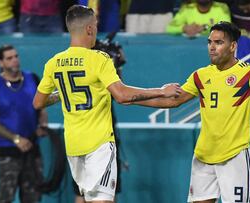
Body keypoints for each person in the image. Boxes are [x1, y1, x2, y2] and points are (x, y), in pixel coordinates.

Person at [32, 5, 181, 203]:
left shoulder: (54, 63)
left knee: (86, 199)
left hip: (74, 146)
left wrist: (63, 92)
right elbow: (122, 95)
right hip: (98, 144)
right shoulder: (99, 59)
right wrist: (162, 91)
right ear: (89, 29)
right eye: (95, 24)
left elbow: (38, 102)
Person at [129, 21, 250, 202]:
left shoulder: (249, 73)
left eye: (218, 43)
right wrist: (132, 99)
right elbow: (173, 100)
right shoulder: (200, 75)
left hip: (234, 156)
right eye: (210, 42)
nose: (212, 47)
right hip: (203, 156)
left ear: (233, 46)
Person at [0, 44, 48, 203]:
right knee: (6, 197)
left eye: (16, 56)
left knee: (33, 197)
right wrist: (15, 139)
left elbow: (42, 108)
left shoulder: (32, 78)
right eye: (9, 58)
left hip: (33, 149)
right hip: (7, 152)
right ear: (1, 63)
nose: (15, 61)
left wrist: (42, 125)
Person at [166, 0, 231, 37]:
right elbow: (169, 28)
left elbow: (226, 29)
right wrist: (184, 28)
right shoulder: (187, 8)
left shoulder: (222, 7)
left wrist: (205, 28)